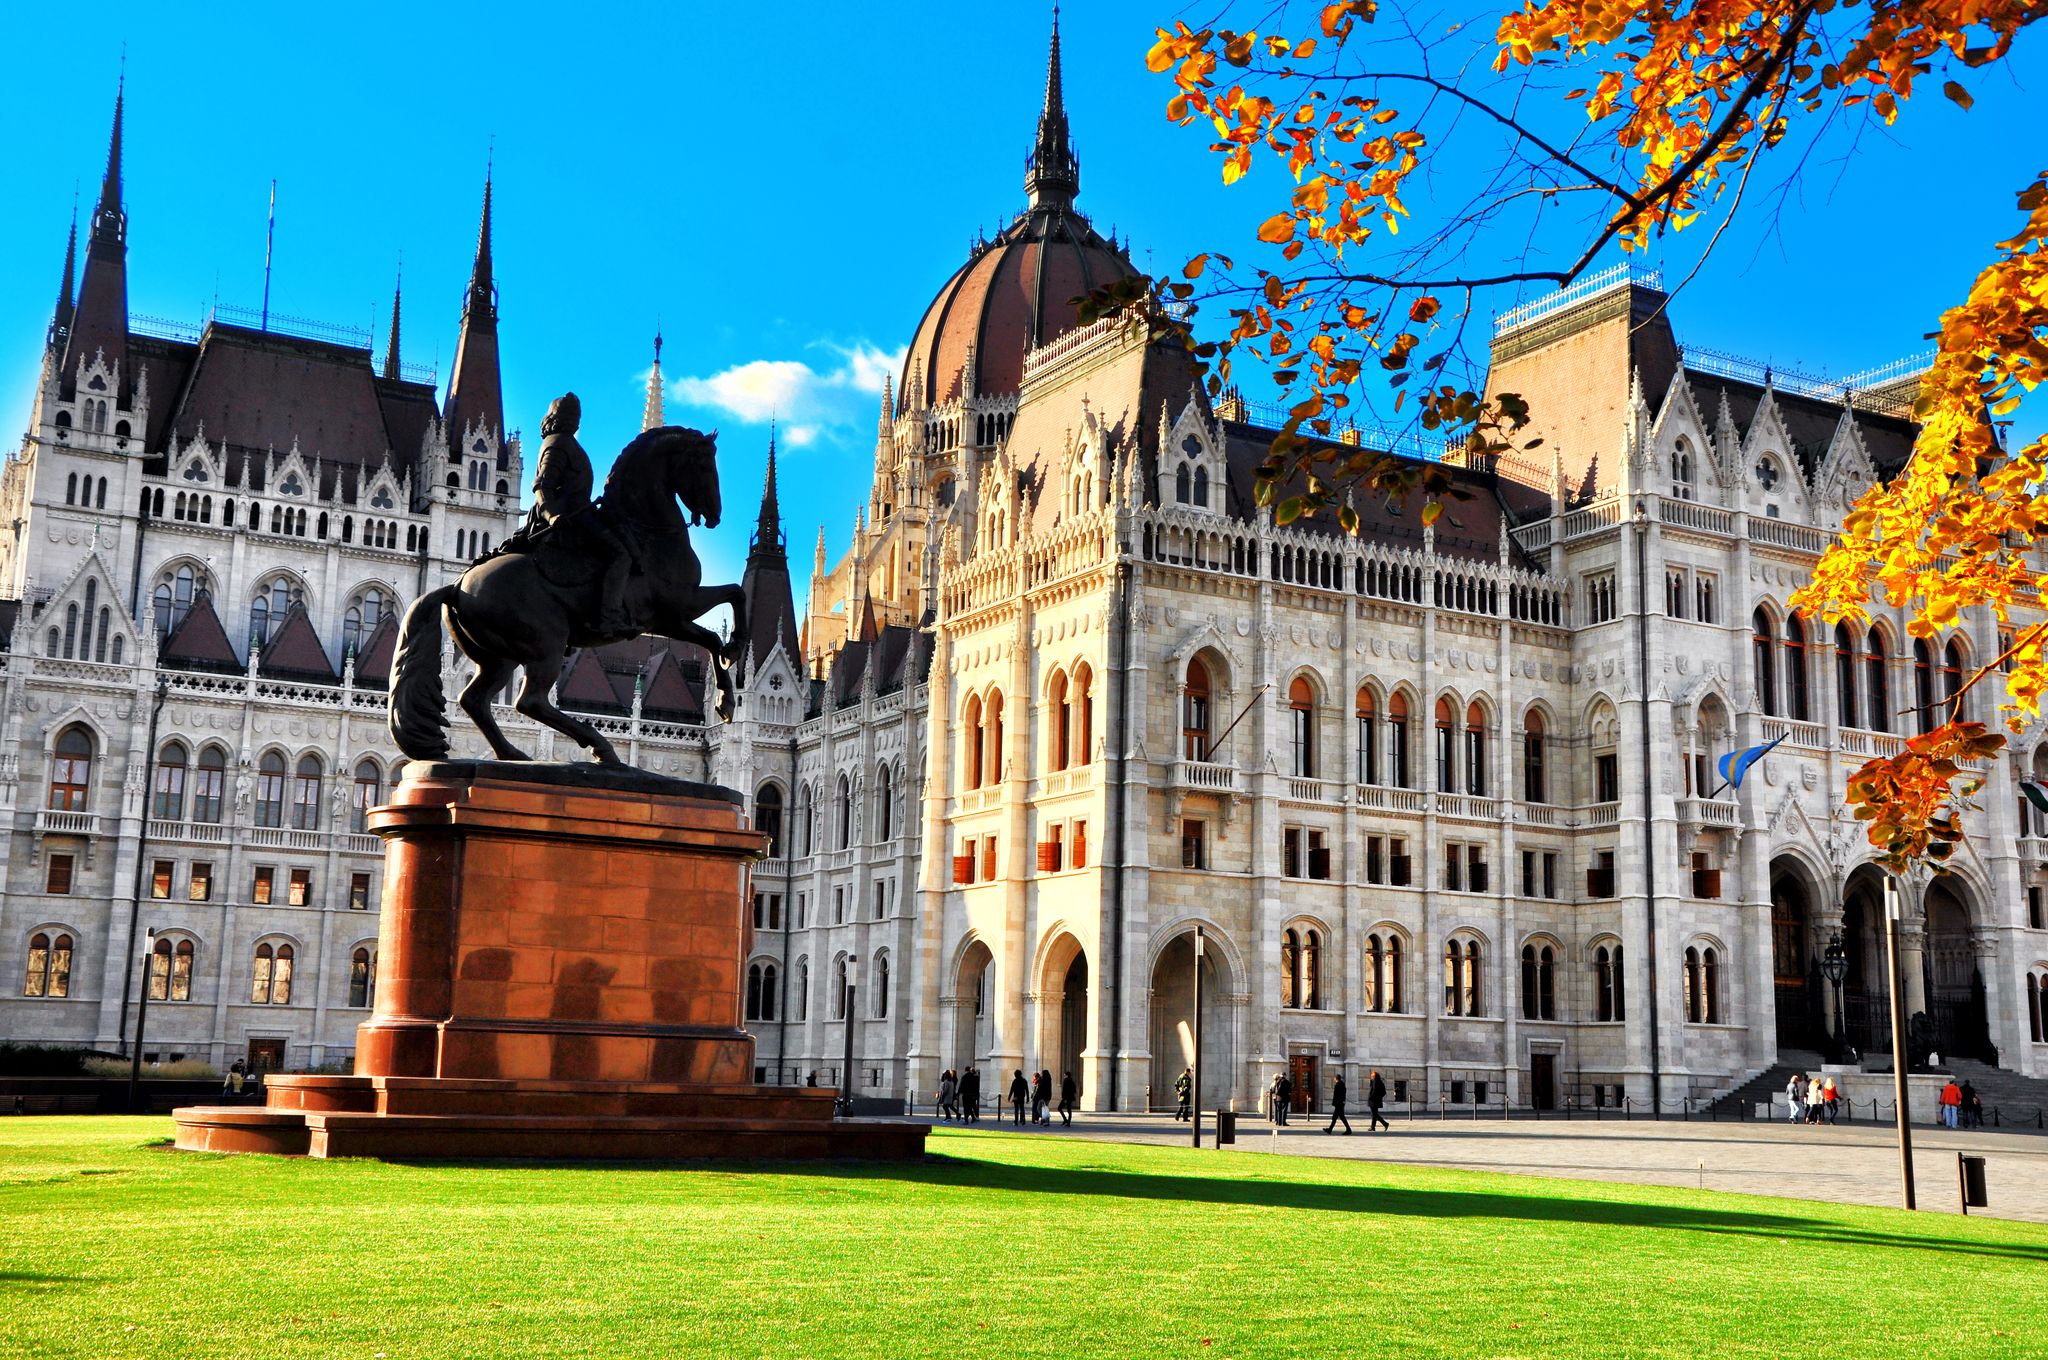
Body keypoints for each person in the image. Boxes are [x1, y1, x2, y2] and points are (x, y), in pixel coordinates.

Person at [503, 393, 635, 634]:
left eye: (577, 416)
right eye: (572, 416)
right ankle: (608, 617)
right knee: (620, 554)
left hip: (580, 514)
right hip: (571, 519)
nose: (576, 421)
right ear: (561, 418)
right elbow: (543, 486)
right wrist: (552, 516)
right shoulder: (558, 444)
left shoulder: (565, 443)